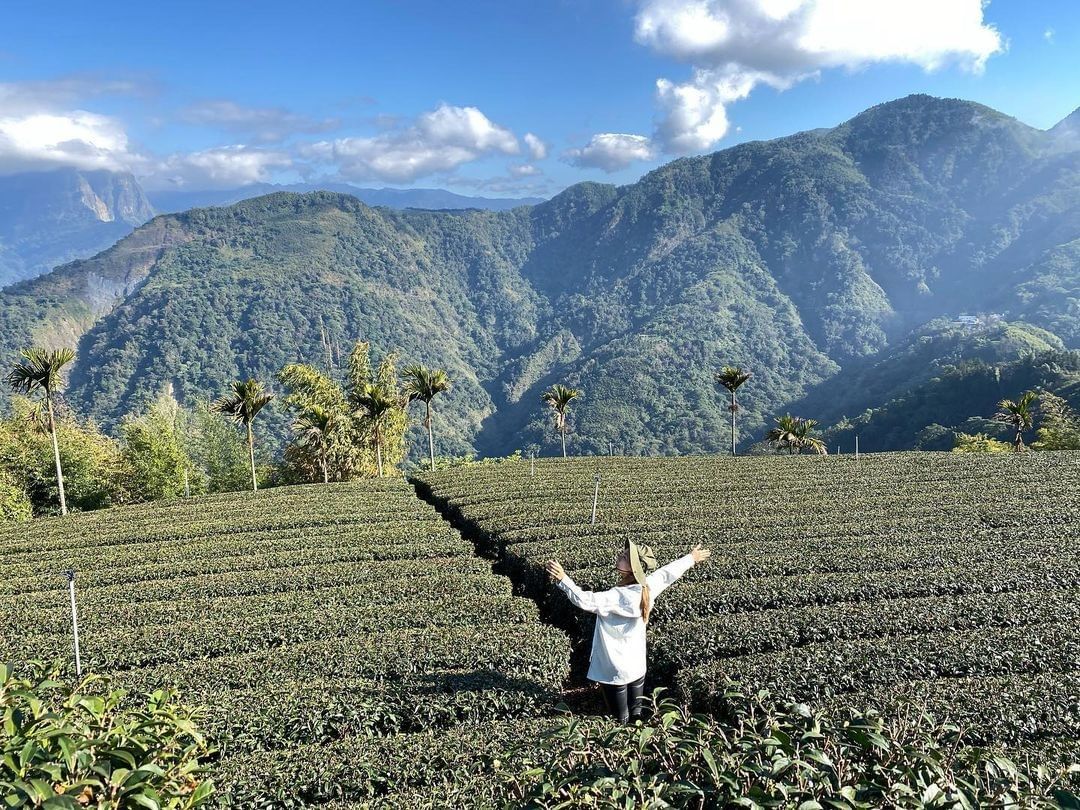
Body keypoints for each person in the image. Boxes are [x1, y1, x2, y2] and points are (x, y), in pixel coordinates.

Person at [545, 540, 711, 723]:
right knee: (636, 714)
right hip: (637, 664)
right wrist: (691, 558)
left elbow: (586, 600)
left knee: (620, 718)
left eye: (625, 557)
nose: (620, 555)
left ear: (632, 569)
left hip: (614, 668)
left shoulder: (618, 596)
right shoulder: (647, 587)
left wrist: (563, 579)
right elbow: (666, 574)